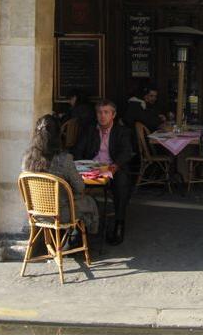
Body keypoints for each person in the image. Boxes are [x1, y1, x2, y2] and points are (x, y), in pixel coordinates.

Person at [21, 114, 99, 240]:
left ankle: (70, 238)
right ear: (58, 135)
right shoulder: (65, 159)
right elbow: (80, 187)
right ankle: (87, 237)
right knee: (90, 202)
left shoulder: (27, 158)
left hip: (36, 213)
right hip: (61, 214)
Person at [74, 99, 133, 245]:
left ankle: (119, 223)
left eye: (106, 112)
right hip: (90, 168)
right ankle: (77, 227)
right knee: (71, 182)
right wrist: (81, 165)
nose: (102, 116)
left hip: (112, 168)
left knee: (122, 182)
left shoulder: (122, 132)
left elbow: (127, 152)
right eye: (99, 112)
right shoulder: (89, 130)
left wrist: (115, 165)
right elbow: (78, 150)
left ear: (113, 115)